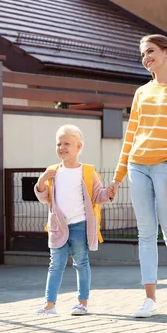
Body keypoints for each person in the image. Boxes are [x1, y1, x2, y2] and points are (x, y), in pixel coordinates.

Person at [110, 34, 167, 318]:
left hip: (166, 167)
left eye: (150, 51)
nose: (146, 57)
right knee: (146, 234)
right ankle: (149, 300)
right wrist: (118, 176)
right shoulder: (142, 92)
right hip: (138, 166)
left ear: (166, 52)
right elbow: (131, 135)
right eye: (142, 54)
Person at [34, 124, 116, 316]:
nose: (62, 147)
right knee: (55, 265)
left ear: (79, 147)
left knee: (81, 262)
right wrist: (41, 180)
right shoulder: (52, 172)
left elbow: (98, 196)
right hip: (58, 227)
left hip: (80, 226)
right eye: (59, 143)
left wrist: (109, 192)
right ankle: (49, 304)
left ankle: (82, 303)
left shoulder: (87, 172)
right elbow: (44, 196)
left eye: (67, 143)